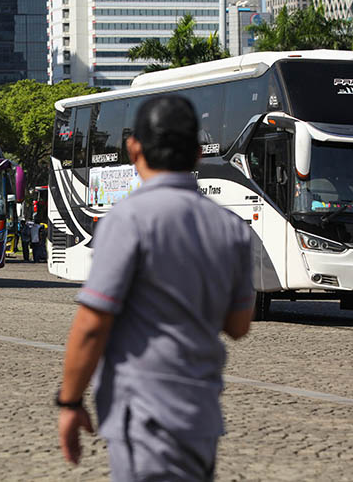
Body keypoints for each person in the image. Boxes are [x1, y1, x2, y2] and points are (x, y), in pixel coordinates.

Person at [57, 95, 255, 480]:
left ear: (133, 148)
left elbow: (93, 323)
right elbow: (238, 325)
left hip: (144, 416)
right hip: (202, 416)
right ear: (198, 153)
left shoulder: (126, 220)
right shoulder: (231, 228)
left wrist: (69, 401)